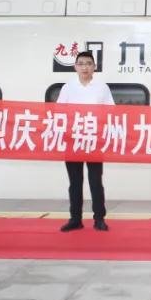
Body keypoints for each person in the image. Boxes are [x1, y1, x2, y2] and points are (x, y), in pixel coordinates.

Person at [56, 51, 115, 232]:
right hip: (72, 140)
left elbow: (111, 112)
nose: (85, 67)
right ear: (75, 67)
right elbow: (59, 112)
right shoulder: (68, 87)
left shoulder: (102, 88)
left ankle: (99, 218)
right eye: (81, 63)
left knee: (95, 181)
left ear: (94, 67)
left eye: (88, 63)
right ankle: (75, 219)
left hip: (94, 139)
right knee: (75, 182)